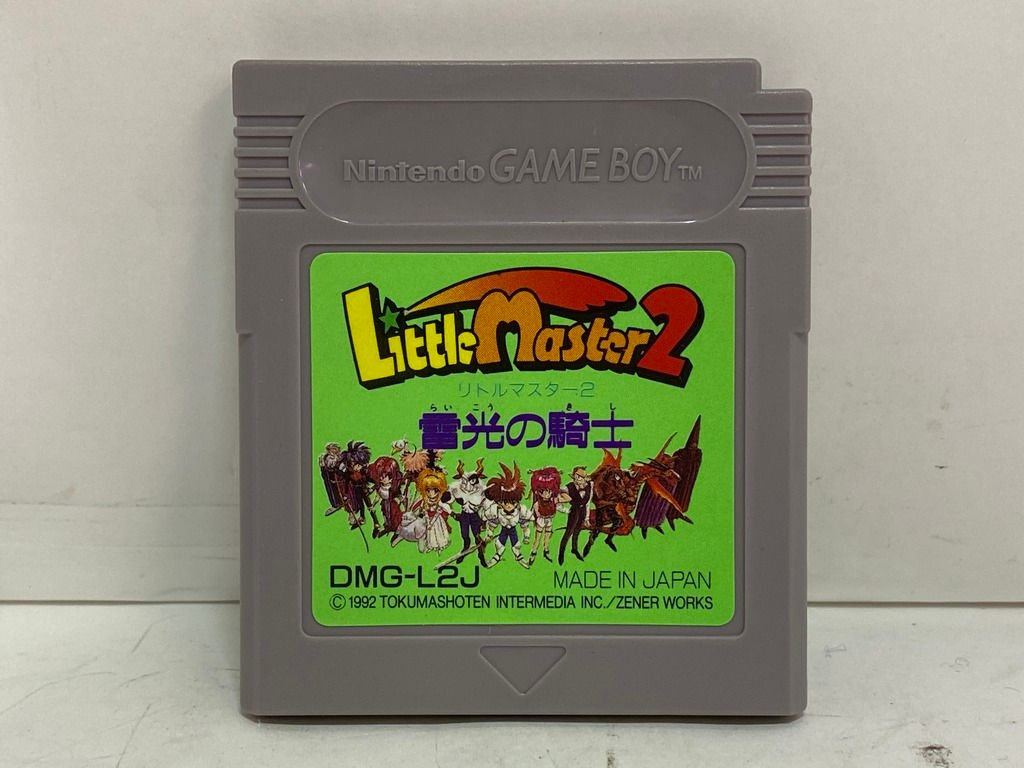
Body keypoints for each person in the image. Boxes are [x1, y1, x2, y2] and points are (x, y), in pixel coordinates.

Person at [558, 466, 592, 564]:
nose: (582, 479)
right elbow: (557, 500)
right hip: (574, 511)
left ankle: (574, 549)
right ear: (574, 476)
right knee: (568, 532)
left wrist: (587, 518)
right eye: (579, 476)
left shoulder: (589, 486)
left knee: (577, 531)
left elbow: (588, 502)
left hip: (583, 511)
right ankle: (561, 554)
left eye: (584, 476)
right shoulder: (567, 487)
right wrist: (565, 510)